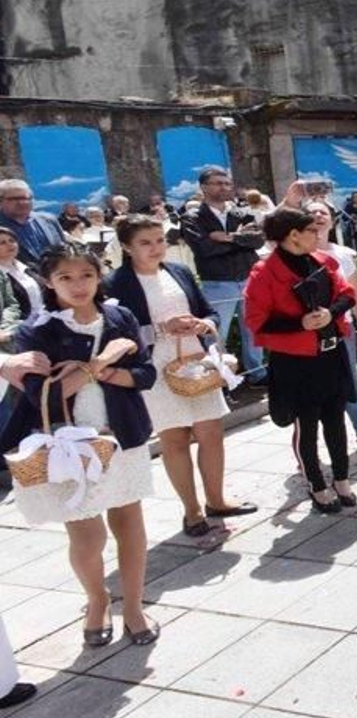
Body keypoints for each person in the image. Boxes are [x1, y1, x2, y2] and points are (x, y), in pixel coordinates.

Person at [12, 243, 159, 646]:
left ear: (99, 276)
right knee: (86, 535)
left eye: (86, 276)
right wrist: (102, 363)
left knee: (130, 523)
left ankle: (133, 604)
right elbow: (45, 394)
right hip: (70, 445)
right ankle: (97, 599)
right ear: (48, 281)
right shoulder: (38, 329)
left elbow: (144, 375)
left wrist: (102, 371)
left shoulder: (119, 316)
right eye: (65, 278)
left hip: (123, 434)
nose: (78, 286)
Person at [106, 214, 254, 539]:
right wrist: (162, 328)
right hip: (155, 369)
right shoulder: (116, 284)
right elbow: (116, 335)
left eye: (160, 240)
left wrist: (207, 325)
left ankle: (216, 499)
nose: (156, 248)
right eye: (145, 242)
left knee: (211, 431)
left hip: (196, 362)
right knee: (174, 440)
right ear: (127, 247)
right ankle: (192, 509)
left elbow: (209, 310)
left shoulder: (180, 271)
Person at [244, 207, 357, 516]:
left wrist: (330, 313)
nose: (318, 234)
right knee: (306, 425)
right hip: (296, 362)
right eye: (312, 230)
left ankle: (342, 479)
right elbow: (256, 322)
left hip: (330, 354)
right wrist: (301, 324)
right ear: (293, 235)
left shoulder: (321, 260)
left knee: (335, 418)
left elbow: (347, 294)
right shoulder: (263, 273)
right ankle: (317, 485)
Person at [181, 166, 267, 386]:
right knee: (216, 334)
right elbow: (204, 249)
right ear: (203, 187)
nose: (224, 187)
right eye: (218, 183)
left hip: (248, 278)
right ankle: (219, 379)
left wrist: (227, 238)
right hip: (218, 282)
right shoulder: (193, 217)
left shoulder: (241, 213)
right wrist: (240, 240)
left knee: (254, 329)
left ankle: (257, 373)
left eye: (227, 183)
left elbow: (257, 241)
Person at [306, 201, 357, 458]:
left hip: (342, 328)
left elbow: (356, 294)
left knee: (349, 381)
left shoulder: (343, 254)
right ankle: (311, 447)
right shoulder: (295, 254)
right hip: (308, 333)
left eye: (322, 212)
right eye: (311, 213)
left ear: (332, 220)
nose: (317, 216)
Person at [0, 179, 66, 269]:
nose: (23, 202)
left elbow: (65, 250)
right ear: (1, 201)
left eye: (27, 198)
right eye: (15, 199)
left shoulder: (49, 220)